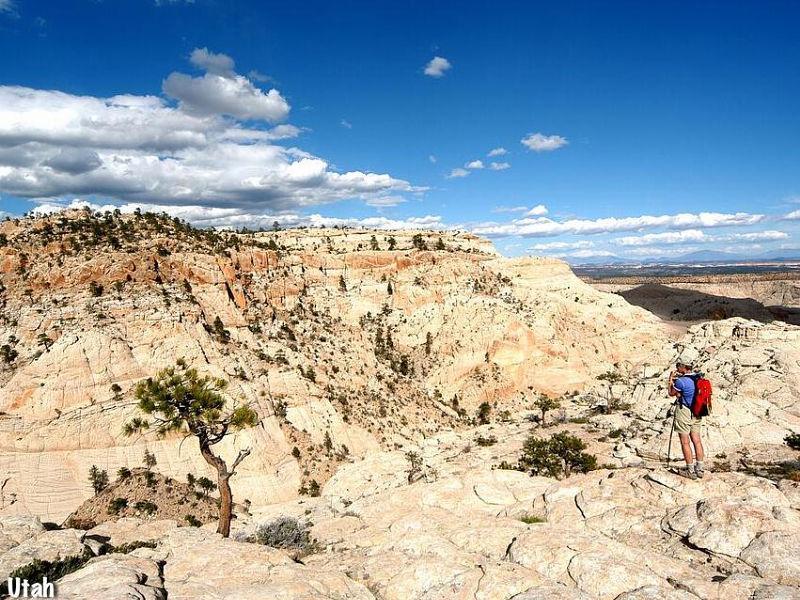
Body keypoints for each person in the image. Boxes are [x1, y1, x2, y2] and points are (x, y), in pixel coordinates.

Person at [668, 362, 705, 479]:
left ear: (683, 367)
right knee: (697, 441)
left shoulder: (681, 381)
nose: (677, 367)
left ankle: (690, 470)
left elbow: (671, 393)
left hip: (684, 411)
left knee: (685, 441)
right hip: (698, 411)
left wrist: (670, 381)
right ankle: (700, 469)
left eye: (678, 365)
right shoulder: (699, 377)